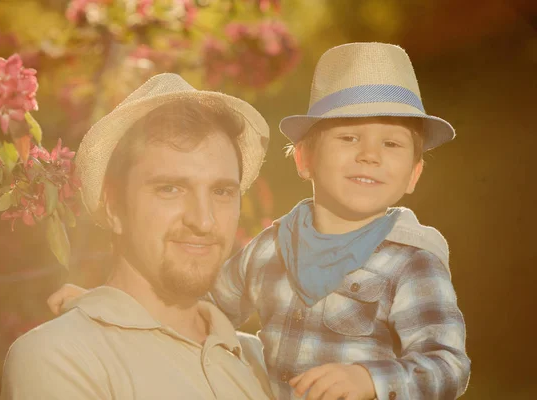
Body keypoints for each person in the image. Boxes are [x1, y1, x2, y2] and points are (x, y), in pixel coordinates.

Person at [49, 43, 471, 400]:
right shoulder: (273, 246)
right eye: (348, 137)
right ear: (303, 158)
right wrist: (104, 304)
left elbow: (447, 364)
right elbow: (194, 307)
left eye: (392, 143)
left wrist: (370, 379)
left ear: (414, 174)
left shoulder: (412, 262)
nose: (370, 155)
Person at [0, 73, 275, 399]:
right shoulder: (61, 356)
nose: (204, 221)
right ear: (114, 206)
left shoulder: (265, 362)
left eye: (222, 191)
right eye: (170, 189)